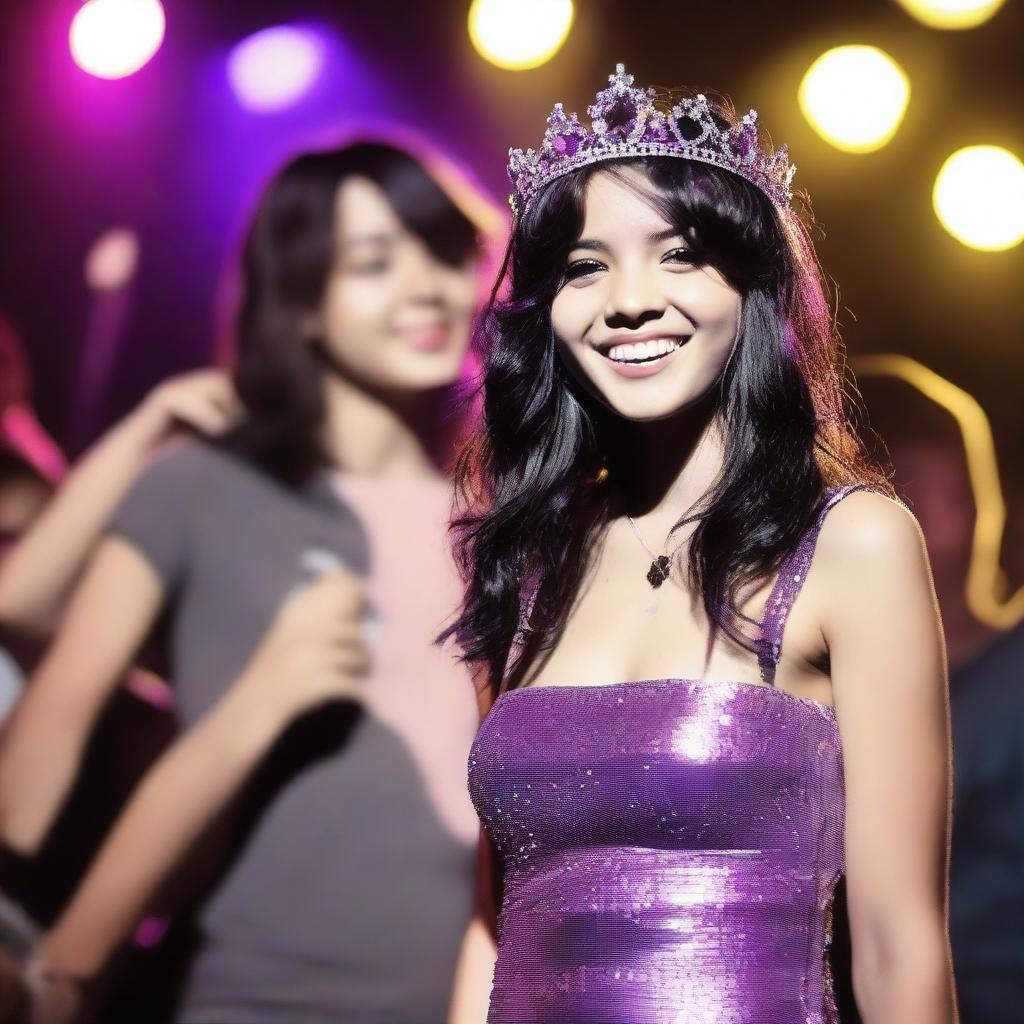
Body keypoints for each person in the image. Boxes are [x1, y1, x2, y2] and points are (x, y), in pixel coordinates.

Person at [445, 65, 957, 1022]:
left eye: (679, 253)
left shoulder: (854, 544)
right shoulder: (527, 560)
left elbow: (900, 946)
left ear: (753, 287)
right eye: (585, 266)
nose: (627, 300)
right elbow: (491, 928)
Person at [1, 139, 489, 1024]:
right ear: (299, 301)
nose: (427, 287)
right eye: (374, 262)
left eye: (444, 253)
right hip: (247, 996)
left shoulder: (493, 524)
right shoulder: (203, 487)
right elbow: (27, 771)